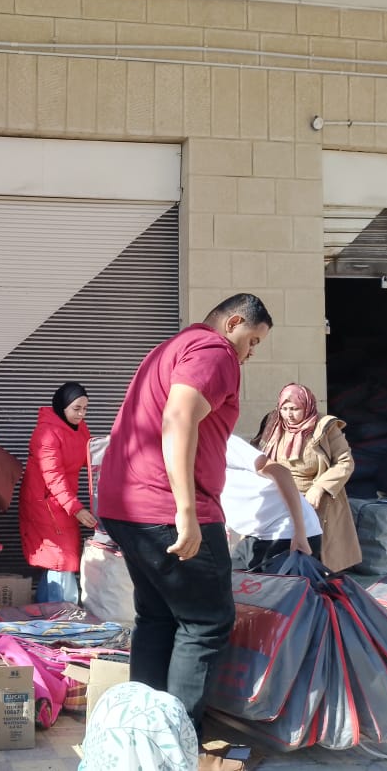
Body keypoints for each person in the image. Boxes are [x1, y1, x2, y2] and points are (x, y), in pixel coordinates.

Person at [97, 292, 273, 741]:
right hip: (164, 507)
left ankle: (142, 733)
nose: (251, 352)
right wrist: (187, 511)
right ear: (233, 323)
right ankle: (177, 741)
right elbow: (178, 418)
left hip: (126, 505)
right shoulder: (216, 351)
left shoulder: (172, 348)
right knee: (206, 622)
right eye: (253, 340)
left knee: (157, 617)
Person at [256, 383, 360, 572]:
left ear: (307, 406)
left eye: (295, 409)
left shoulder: (325, 427)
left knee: (313, 554)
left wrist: (320, 487)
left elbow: (345, 462)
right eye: (284, 409)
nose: (289, 414)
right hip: (280, 496)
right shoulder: (273, 424)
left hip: (314, 500)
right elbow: (258, 456)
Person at [18, 382, 97, 604]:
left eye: (85, 409)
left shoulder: (80, 428)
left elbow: (89, 457)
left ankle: (48, 614)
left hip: (63, 501)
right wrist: (77, 509)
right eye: (76, 408)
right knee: (60, 558)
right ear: (62, 406)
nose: (81, 414)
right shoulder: (46, 433)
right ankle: (62, 616)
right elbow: (52, 476)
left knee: (58, 560)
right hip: (45, 504)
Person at [221, 434, 320, 570]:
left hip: (288, 531)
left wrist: (300, 532)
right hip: (255, 534)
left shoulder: (222, 442)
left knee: (277, 585)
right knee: (231, 579)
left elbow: (281, 472)